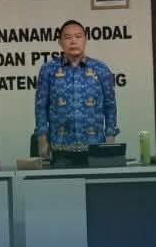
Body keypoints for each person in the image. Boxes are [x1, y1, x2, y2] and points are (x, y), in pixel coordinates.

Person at [34, 19, 118, 159]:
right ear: (60, 42)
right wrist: (42, 140)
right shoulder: (48, 70)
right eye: (68, 37)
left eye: (78, 36)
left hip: (95, 146)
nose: (73, 41)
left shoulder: (100, 69)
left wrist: (110, 139)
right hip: (60, 147)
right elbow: (41, 107)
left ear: (85, 39)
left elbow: (110, 106)